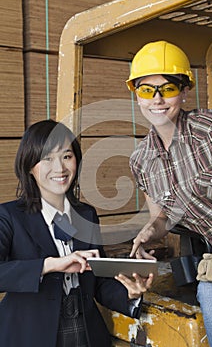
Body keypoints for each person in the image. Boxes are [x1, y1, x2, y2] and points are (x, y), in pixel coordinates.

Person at [0, 119, 153, 347]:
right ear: (30, 166)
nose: (59, 168)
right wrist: (51, 264)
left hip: (86, 334)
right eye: (47, 158)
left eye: (67, 156)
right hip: (28, 334)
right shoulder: (9, 216)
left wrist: (130, 293)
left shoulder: (86, 214)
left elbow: (98, 281)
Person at [126, 40, 212, 347]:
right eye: (147, 90)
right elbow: (162, 217)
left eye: (168, 88)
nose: (157, 99)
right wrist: (150, 232)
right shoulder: (141, 161)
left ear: (185, 91)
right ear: (136, 94)